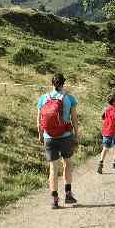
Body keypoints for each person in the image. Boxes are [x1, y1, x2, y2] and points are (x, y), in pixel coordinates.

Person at [38, 73, 79, 209]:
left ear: (52, 83)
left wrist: (40, 135)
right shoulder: (69, 98)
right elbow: (74, 119)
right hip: (66, 135)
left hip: (49, 137)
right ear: (63, 83)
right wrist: (76, 135)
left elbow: (39, 121)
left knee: (53, 168)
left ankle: (54, 199)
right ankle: (68, 193)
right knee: (67, 163)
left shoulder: (43, 98)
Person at [98, 92, 115, 173]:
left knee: (105, 148)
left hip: (106, 131)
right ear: (114, 101)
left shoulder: (105, 109)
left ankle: (100, 164)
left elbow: (102, 118)